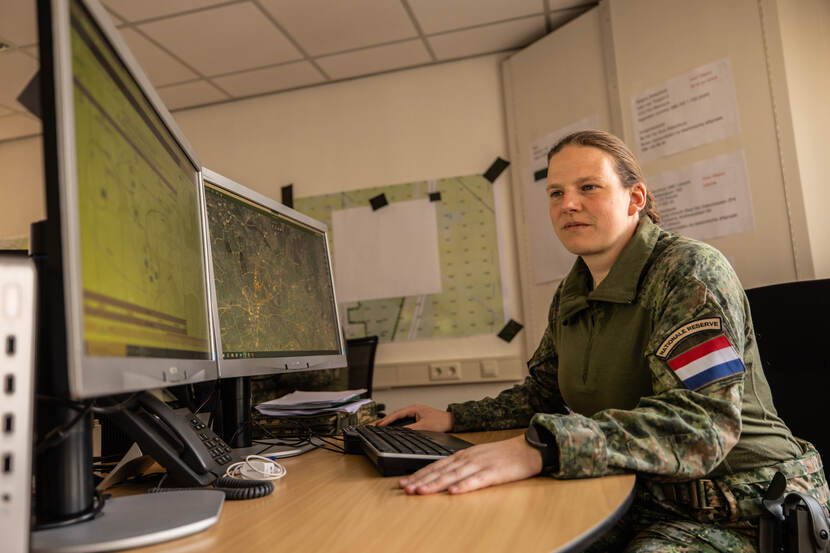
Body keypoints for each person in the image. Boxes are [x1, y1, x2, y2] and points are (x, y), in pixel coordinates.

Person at [378, 130, 830, 552]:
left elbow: (702, 425)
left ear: (635, 198)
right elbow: (543, 393)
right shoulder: (573, 292)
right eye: (556, 192)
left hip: (741, 505)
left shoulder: (688, 272)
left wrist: (543, 446)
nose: (567, 204)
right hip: (641, 491)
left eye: (588, 188)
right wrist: (453, 417)